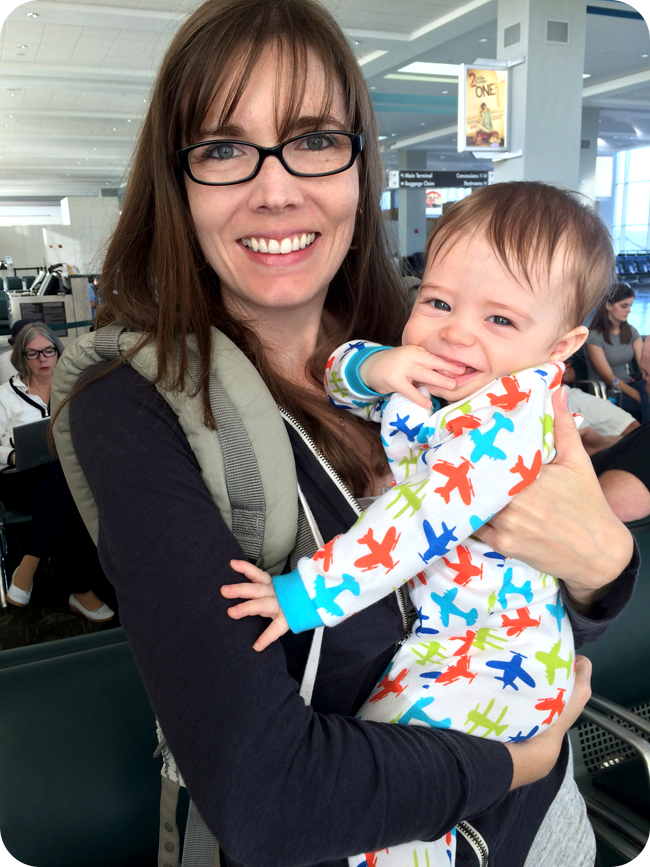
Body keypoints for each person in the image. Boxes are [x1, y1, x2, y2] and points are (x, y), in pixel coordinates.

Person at [56, 2, 635, 866]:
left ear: (360, 162)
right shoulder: (136, 405)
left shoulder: (434, 349)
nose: (276, 188)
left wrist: (603, 571)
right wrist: (518, 760)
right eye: (222, 148)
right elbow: (267, 799)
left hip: (548, 828)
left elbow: (534, 596)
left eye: (315, 139)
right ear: (176, 182)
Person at [222, 182, 613, 867]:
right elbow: (336, 376)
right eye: (437, 302)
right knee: (383, 787)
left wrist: (307, 592)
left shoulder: (515, 422)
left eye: (500, 320)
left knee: (387, 795)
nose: (455, 331)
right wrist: (379, 364)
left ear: (562, 345)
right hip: (449, 637)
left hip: (499, 657)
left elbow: (417, 521)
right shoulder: (452, 384)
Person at [2, 322, 114, 621]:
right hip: (19, 480)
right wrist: (11, 455)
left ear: (57, 351)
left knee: (65, 482)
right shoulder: (5, 396)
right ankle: (81, 592)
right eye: (33, 353)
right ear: (21, 356)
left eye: (48, 350)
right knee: (70, 491)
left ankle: (28, 565)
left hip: (65, 479)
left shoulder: (76, 386)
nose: (43, 359)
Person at [585, 283, 650, 423]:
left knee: (647, 390)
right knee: (646, 397)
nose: (629, 310)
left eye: (630, 306)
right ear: (608, 306)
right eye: (624, 306)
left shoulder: (631, 331)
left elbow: (643, 364)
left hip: (630, 384)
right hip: (609, 389)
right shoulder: (594, 337)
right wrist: (638, 395)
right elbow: (609, 378)